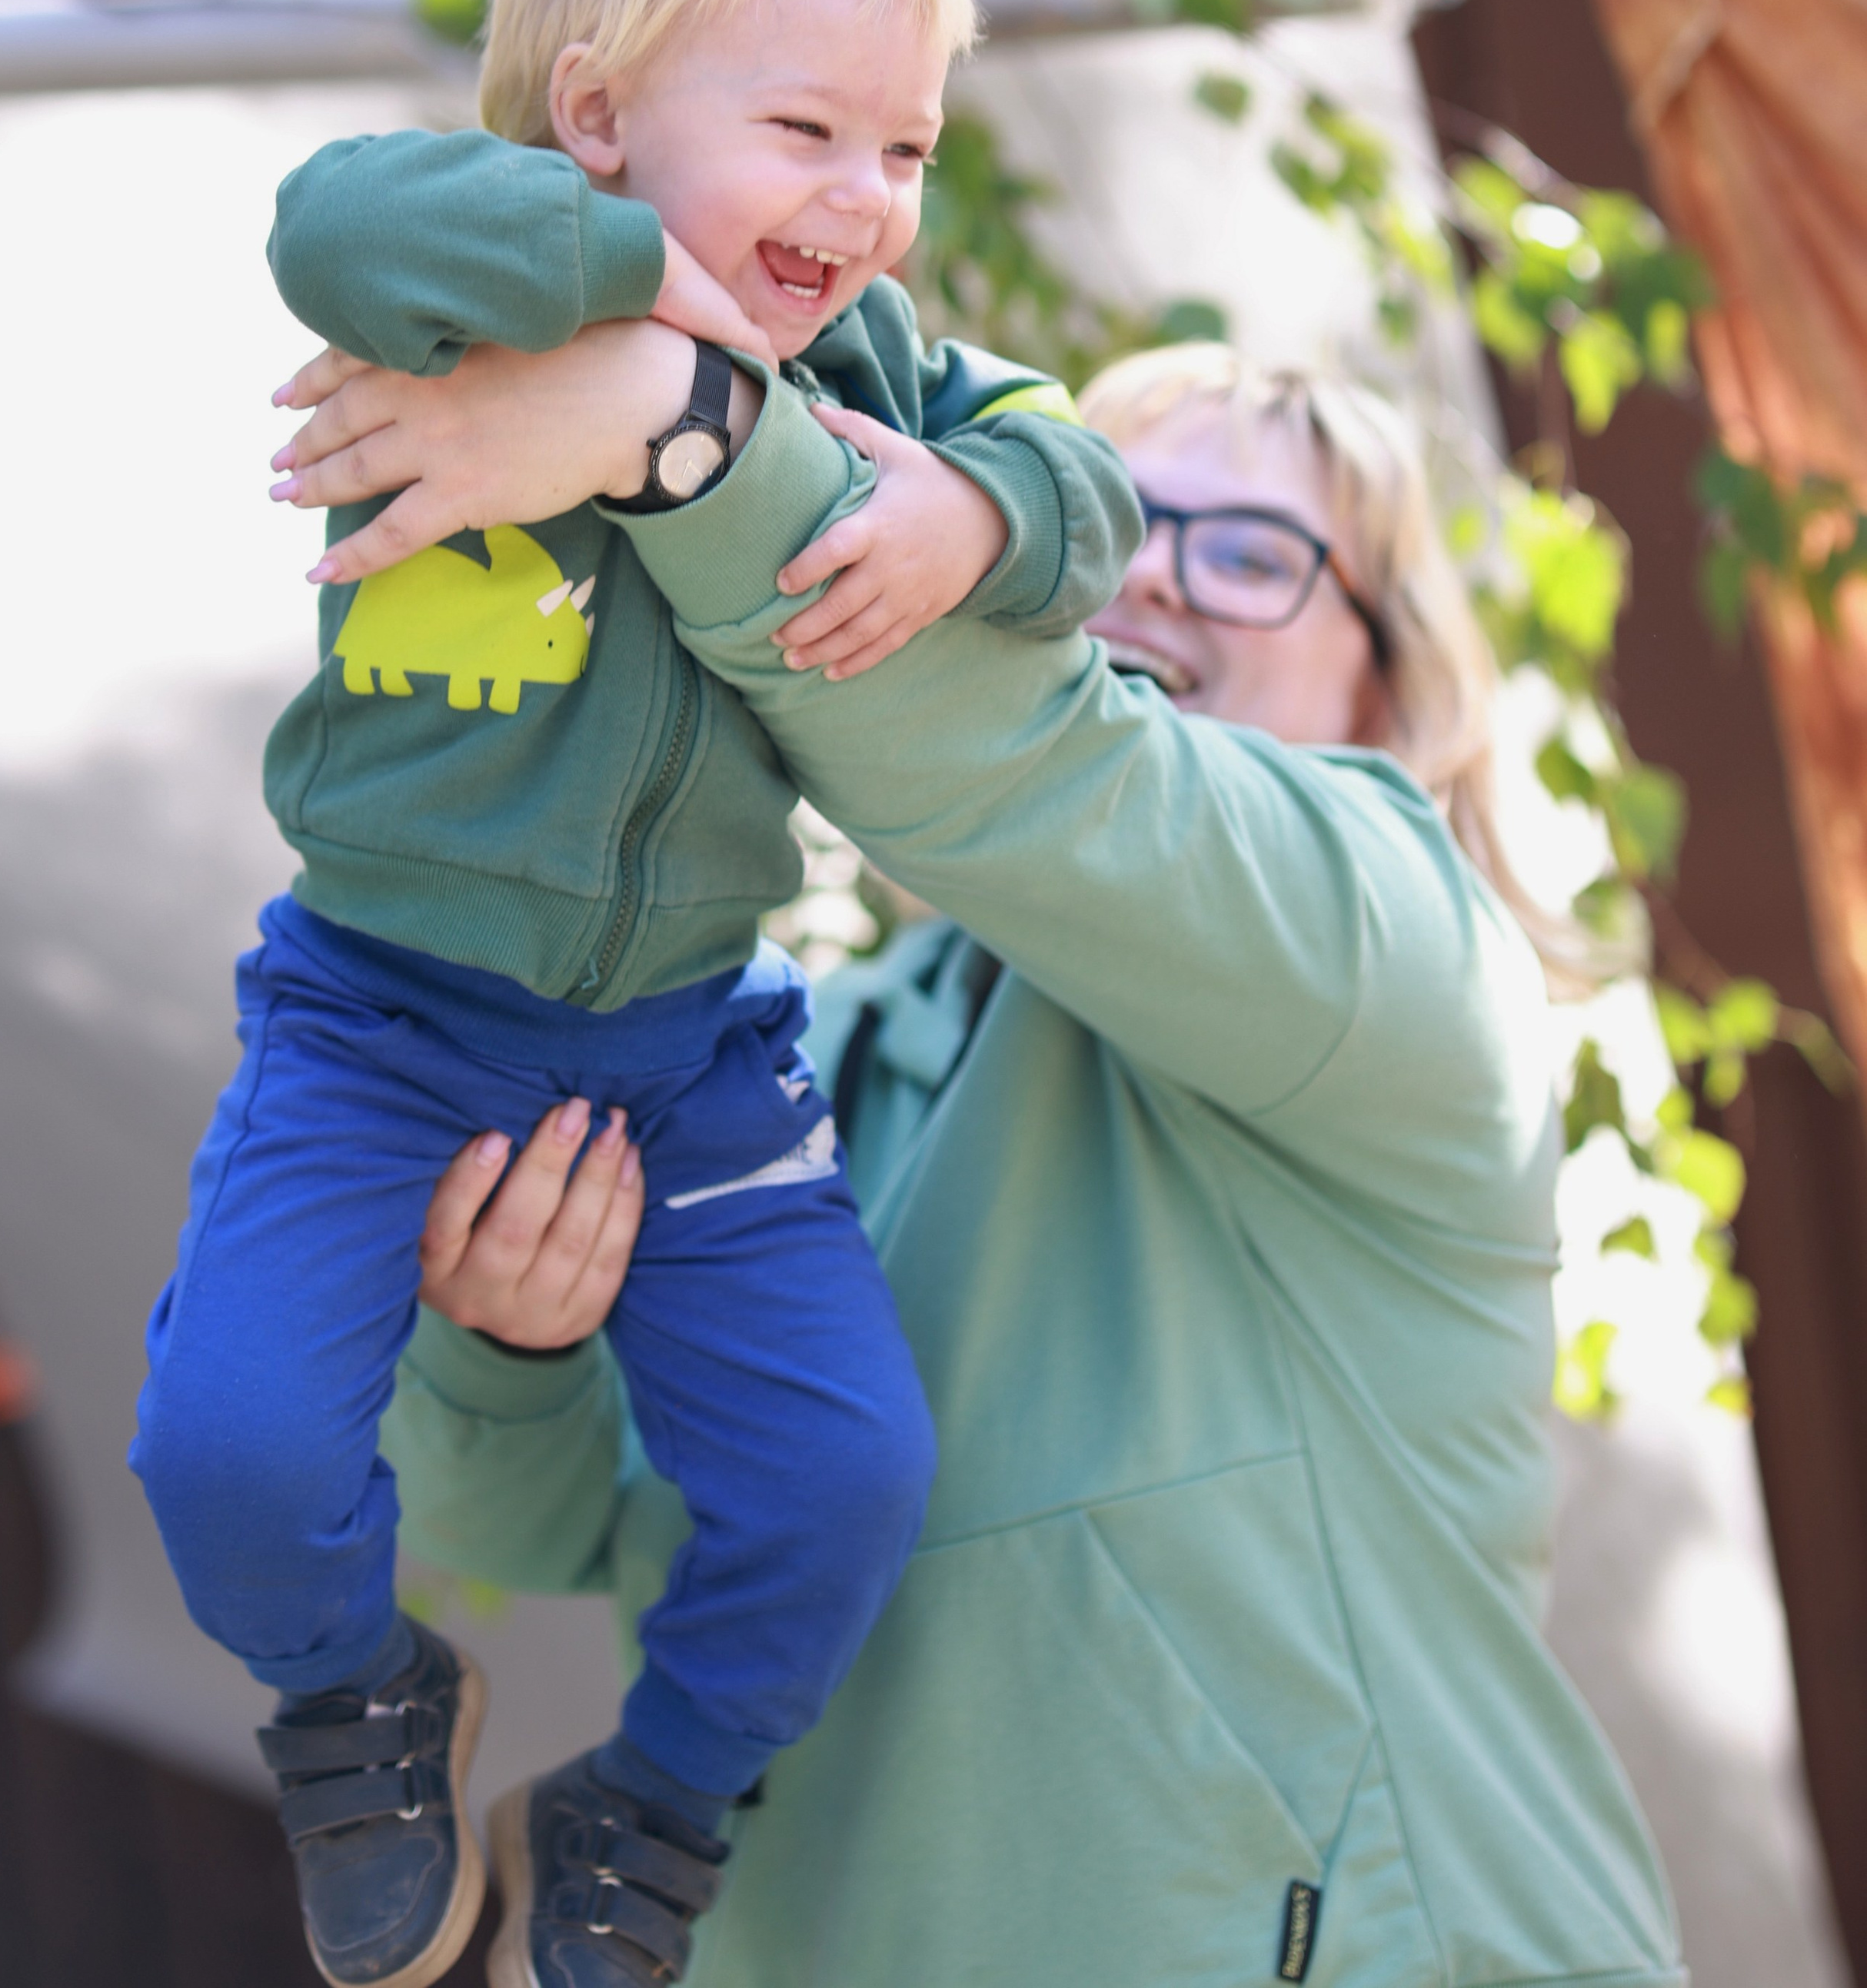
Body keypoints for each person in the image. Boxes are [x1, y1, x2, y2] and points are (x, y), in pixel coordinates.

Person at [276, 332, 1687, 1988]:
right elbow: (554, 1527)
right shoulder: (795, 1062)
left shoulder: (1399, 946)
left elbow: (1040, 768)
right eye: (1114, 524)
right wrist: (512, 1337)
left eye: (1251, 556)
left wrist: (686, 433)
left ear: (1382, 687)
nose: (1150, 580)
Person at [129, 0, 1142, 1988]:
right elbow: (330, 213)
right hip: (378, 1018)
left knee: (844, 1481)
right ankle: (356, 1700)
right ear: (594, 116)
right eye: (806, 129)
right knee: (230, 1446)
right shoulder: (458, 281)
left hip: (688, 1045)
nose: (867, 200)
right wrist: (639, 306)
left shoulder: (863, 369)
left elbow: (1085, 481)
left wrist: (970, 516)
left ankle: (656, 1796)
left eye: (905, 147)